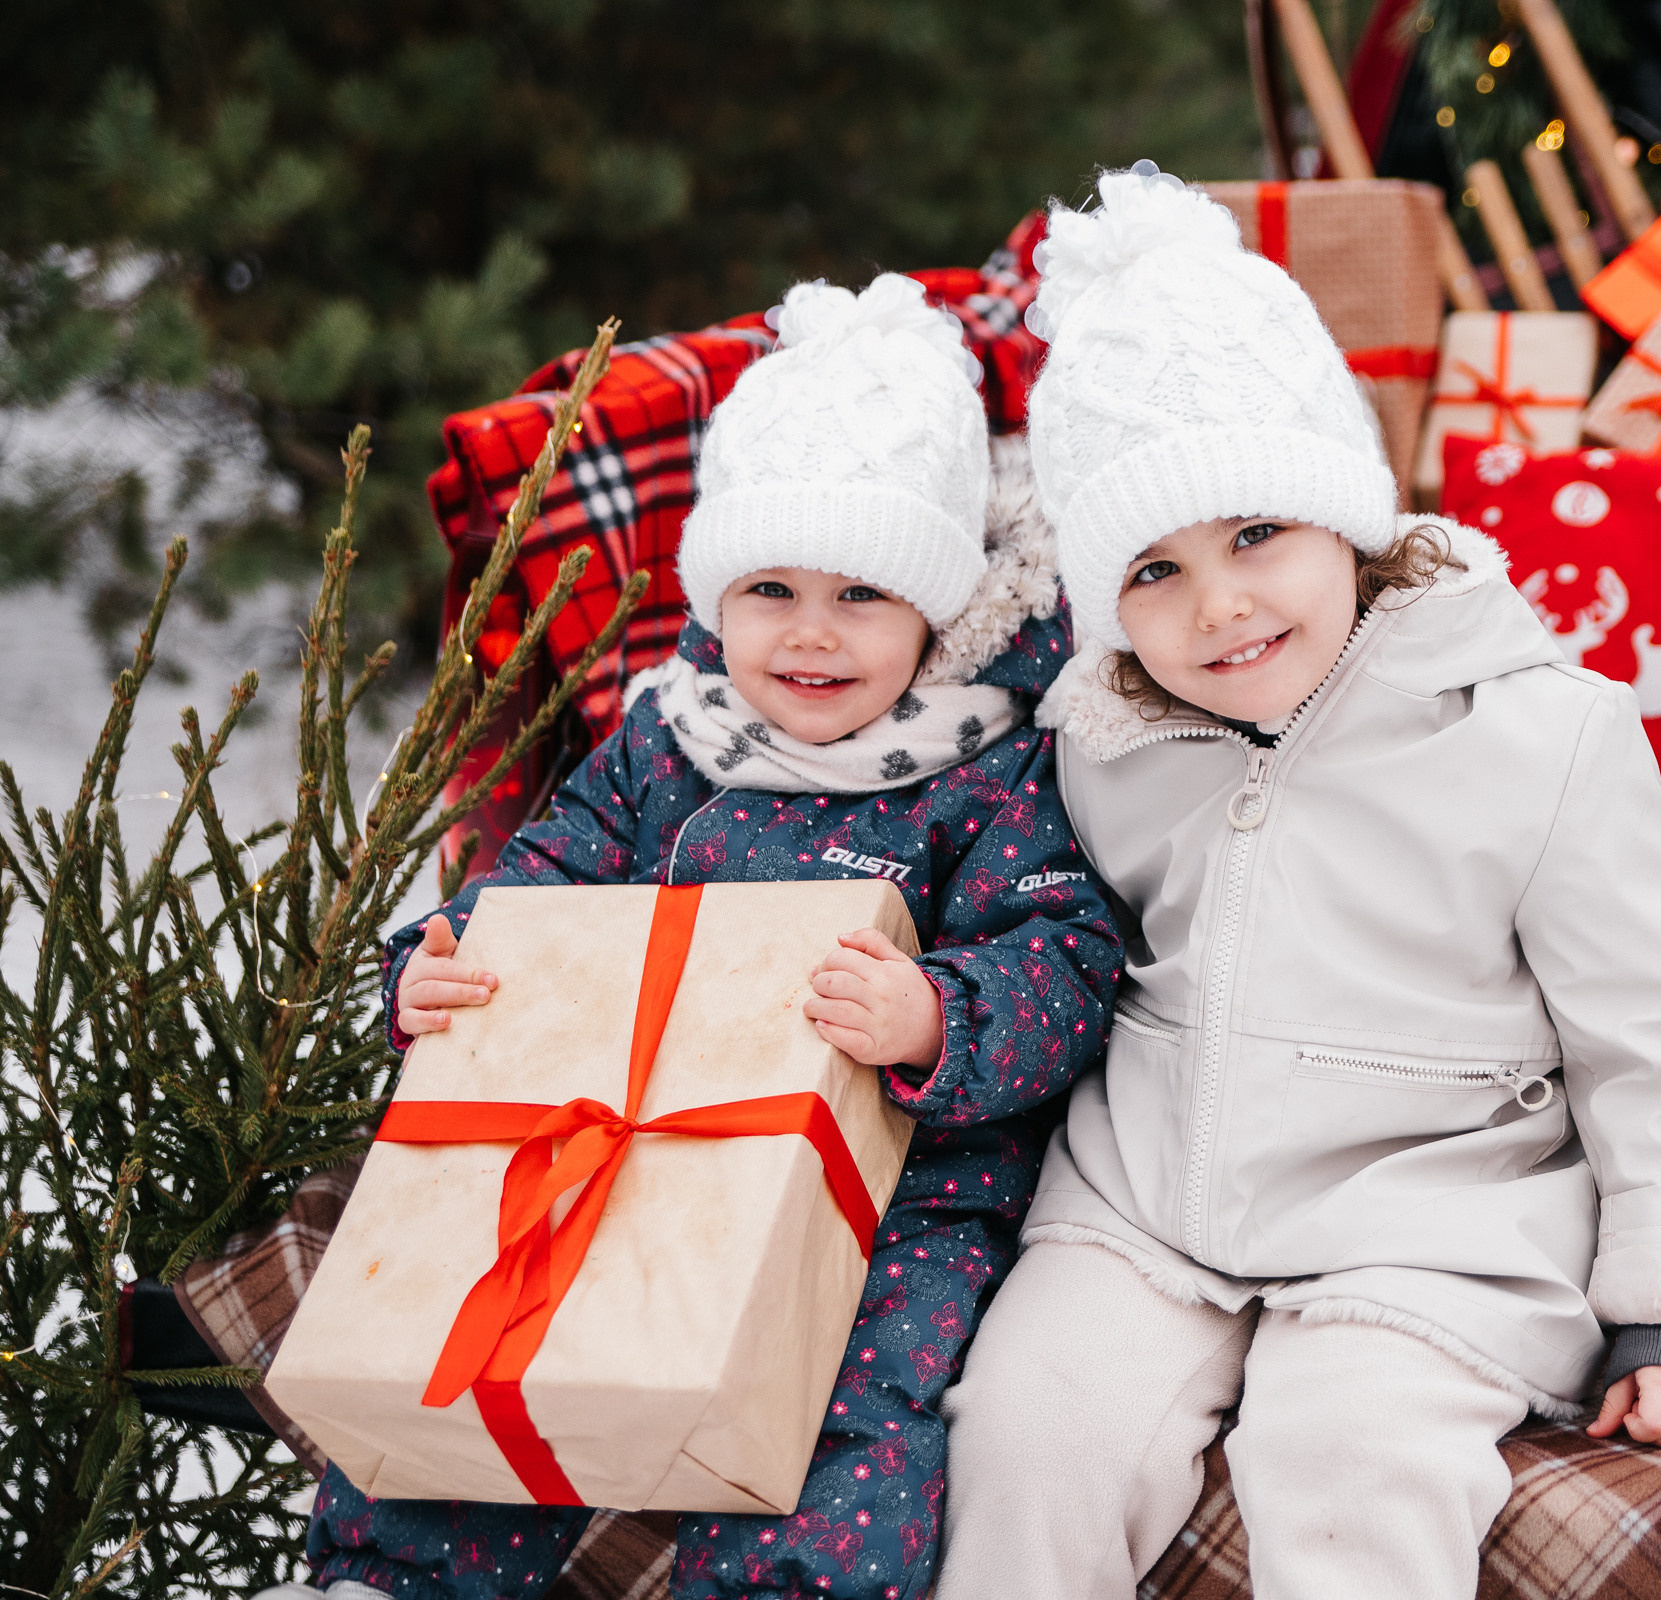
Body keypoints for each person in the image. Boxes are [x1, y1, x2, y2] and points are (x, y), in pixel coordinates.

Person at [936, 165, 1661, 1600]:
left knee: (1347, 1468)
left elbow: (1658, 1040)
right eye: (1156, 569)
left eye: (1259, 533)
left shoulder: (1539, 730)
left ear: (1352, 519)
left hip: (1434, 1215)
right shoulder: (1101, 739)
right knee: (1028, 1435)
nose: (1221, 606)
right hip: (1151, 1199)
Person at [267, 274, 1120, 1600]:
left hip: (895, 1198)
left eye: (864, 595)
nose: (813, 633)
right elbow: (534, 889)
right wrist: (438, 966)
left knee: (852, 1408)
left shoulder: (989, 773)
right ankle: (395, 1574)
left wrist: (940, 1018)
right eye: (771, 587)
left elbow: (1061, 954)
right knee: (486, 1324)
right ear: (718, 598)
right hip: (631, 1141)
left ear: (936, 616)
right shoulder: (668, 749)